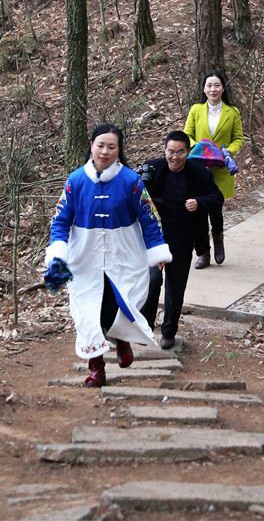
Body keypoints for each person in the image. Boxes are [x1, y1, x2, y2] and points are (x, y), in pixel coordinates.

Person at [44, 124, 171, 387]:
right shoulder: (76, 180)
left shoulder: (131, 181)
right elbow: (59, 221)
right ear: (91, 145)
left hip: (123, 250)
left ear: (119, 150)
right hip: (85, 254)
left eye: (111, 147)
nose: (105, 151)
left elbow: (149, 217)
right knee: (88, 310)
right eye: (100, 145)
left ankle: (122, 339)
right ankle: (96, 368)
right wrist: (58, 252)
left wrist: (156, 249)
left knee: (121, 299)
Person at [141, 131, 224, 350]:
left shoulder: (200, 174)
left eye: (180, 152)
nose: (175, 157)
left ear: (188, 152)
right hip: (154, 240)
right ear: (164, 150)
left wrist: (199, 202)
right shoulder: (153, 168)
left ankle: (168, 331)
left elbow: (217, 198)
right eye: (171, 151)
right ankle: (146, 326)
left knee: (175, 288)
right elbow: (133, 196)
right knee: (151, 281)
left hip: (183, 239)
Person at [183, 70, 243, 268]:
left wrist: (225, 152)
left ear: (223, 88)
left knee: (215, 209)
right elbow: (187, 136)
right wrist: (201, 148)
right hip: (198, 169)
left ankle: (218, 242)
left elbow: (238, 139)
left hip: (221, 170)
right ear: (204, 88)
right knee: (198, 211)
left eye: (217, 85)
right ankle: (203, 253)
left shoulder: (232, 112)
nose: (213, 89)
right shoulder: (196, 110)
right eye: (209, 85)